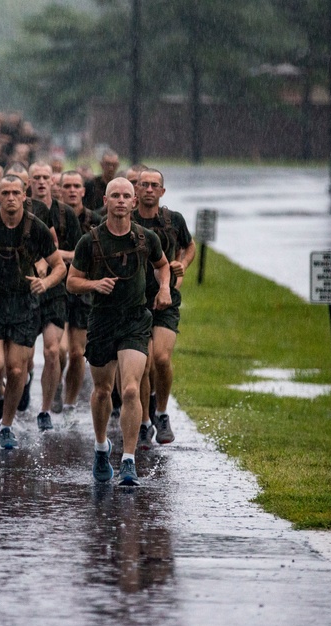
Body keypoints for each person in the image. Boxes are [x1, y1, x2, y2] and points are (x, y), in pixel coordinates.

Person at [67, 177, 171, 486]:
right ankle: (101, 447)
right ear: (106, 201)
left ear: (135, 202)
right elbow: (72, 282)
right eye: (116, 195)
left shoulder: (146, 238)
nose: (122, 200)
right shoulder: (91, 241)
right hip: (101, 320)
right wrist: (95, 284)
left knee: (129, 388)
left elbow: (162, 265)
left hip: (135, 320)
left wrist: (164, 287)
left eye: (127, 195)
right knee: (101, 391)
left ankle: (128, 460)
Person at [0, 175, 65, 449]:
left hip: (23, 305)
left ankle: (6, 426)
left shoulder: (37, 228)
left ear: (24, 196)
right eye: (5, 193)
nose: (10, 197)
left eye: (15, 193)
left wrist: (45, 282)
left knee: (18, 370)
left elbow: (59, 266)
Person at [132, 168, 195, 449]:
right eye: (143, 184)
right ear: (136, 189)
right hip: (135, 300)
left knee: (161, 358)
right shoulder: (127, 221)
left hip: (166, 298)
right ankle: (144, 421)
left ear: (162, 191)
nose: (148, 189)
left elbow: (189, 247)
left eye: (153, 185)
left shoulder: (174, 220)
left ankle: (162, 412)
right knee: (143, 365)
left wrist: (182, 268)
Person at [28, 162, 82, 431]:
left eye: (45, 177)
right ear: (28, 182)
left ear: (53, 183)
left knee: (53, 351)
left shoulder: (66, 215)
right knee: (21, 360)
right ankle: (22, 384)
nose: (40, 182)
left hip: (56, 289)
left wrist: (53, 257)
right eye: (35, 177)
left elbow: (80, 255)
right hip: (24, 291)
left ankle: (45, 409)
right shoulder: (18, 208)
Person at [58, 170, 103, 425]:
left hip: (85, 294)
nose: (72, 190)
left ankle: (70, 403)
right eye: (67, 186)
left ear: (83, 191)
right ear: (60, 189)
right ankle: (54, 383)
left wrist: (65, 255)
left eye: (77, 186)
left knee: (77, 353)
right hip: (57, 292)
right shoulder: (51, 218)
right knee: (60, 351)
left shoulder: (95, 221)